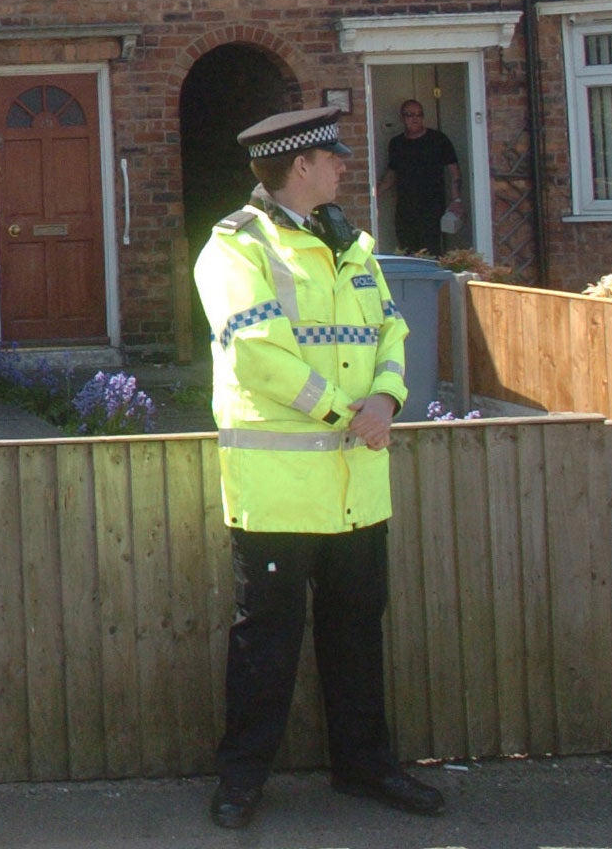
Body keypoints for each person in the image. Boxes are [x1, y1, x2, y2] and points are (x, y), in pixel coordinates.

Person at [191, 106, 443, 830]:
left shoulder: (352, 244)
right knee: (265, 643)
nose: (342, 165)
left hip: (357, 489)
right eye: (332, 157)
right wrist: (348, 412)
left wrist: (389, 396)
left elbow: (391, 328)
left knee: (357, 633)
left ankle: (366, 769)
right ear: (299, 165)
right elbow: (257, 355)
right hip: (278, 492)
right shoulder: (236, 249)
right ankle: (241, 779)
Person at [377, 100, 462, 255]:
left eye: (419, 114)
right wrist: (373, 195)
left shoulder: (438, 140)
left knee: (432, 253)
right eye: (410, 115)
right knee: (407, 253)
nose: (415, 118)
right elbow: (392, 174)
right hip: (405, 210)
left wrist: (456, 200)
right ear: (402, 118)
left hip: (432, 209)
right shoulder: (396, 144)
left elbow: (454, 171)